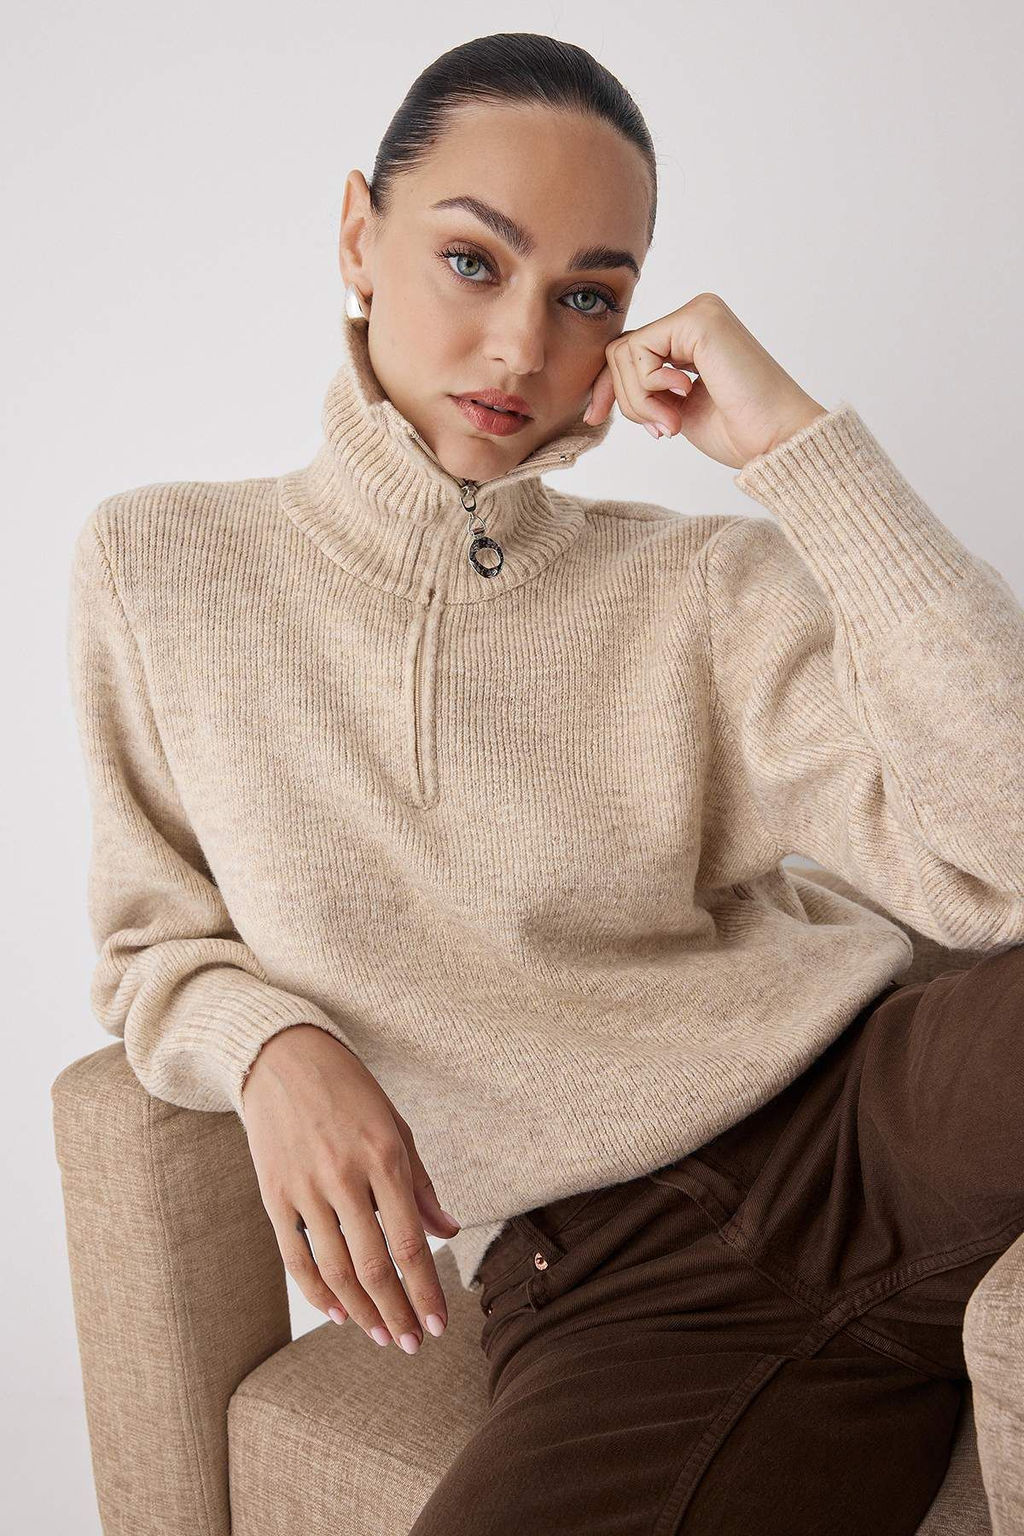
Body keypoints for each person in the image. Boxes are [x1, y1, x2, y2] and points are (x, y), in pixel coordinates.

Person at [67, 31, 1024, 1534]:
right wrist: (269, 1046)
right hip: (604, 1281)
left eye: (588, 295)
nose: (522, 346)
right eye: (472, 262)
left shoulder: (705, 587)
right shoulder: (161, 566)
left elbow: (1006, 855)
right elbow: (149, 941)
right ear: (357, 236)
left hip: (874, 1114)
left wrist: (794, 449)